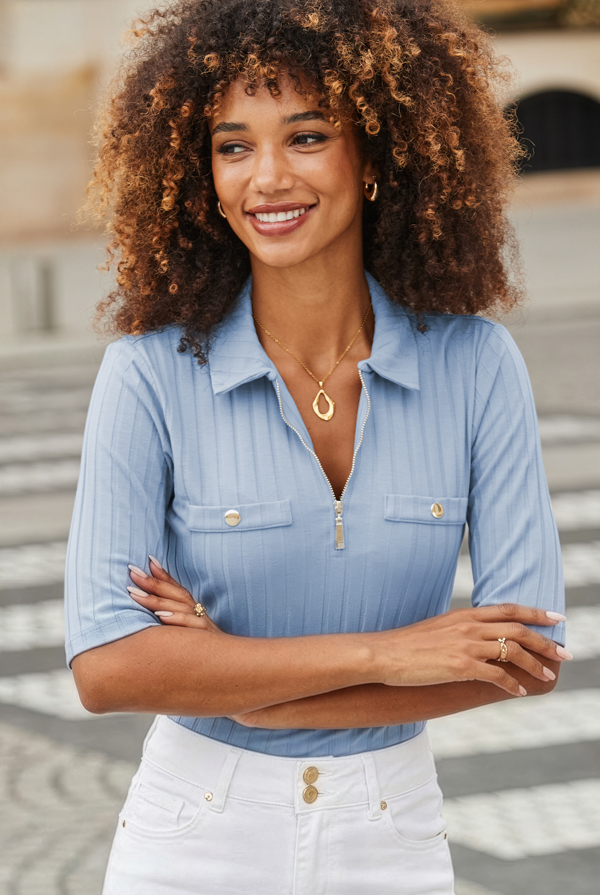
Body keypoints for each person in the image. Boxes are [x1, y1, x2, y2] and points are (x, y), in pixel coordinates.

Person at [66, 0, 569, 892]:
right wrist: (392, 653)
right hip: (194, 834)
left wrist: (240, 682)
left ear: (374, 154)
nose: (265, 177)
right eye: (232, 145)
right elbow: (109, 666)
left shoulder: (477, 364)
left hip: (392, 831)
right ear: (201, 172)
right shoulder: (147, 376)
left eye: (305, 136)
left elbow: (520, 659)